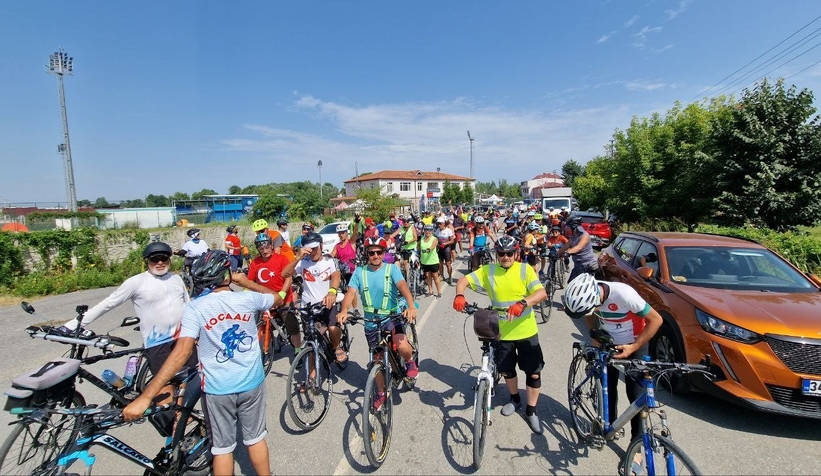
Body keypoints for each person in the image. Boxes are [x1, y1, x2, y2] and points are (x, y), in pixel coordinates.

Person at [124, 250, 280, 476]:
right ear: (226, 274)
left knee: (223, 449)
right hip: (251, 383)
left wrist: (146, 396)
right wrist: (245, 281)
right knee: (255, 439)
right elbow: (277, 297)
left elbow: (182, 352)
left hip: (218, 389)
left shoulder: (195, 307)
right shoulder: (247, 298)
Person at [59, 242, 196, 413]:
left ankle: (183, 418)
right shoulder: (137, 282)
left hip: (183, 338)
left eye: (164, 259)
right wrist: (73, 325)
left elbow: (188, 305)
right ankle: (171, 427)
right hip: (158, 343)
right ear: (147, 261)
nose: (160, 263)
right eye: (155, 259)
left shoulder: (176, 279)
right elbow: (108, 303)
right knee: (165, 388)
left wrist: (196, 332)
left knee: (186, 383)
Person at [453, 235, 548, 434]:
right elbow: (463, 280)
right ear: (496, 254)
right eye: (501, 254)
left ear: (516, 253)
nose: (505, 257)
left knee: (533, 372)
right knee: (507, 370)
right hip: (501, 333)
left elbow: (541, 293)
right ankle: (514, 399)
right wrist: (460, 294)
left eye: (509, 253)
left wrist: (522, 303)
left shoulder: (525, 270)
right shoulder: (489, 271)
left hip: (526, 332)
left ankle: (532, 411)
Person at [562, 273, 663, 443]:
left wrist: (634, 347)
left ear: (597, 298)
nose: (590, 312)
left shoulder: (624, 294)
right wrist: (595, 334)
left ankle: (636, 444)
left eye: (591, 308)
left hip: (634, 342)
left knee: (636, 394)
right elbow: (589, 314)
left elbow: (656, 320)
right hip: (608, 342)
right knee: (608, 386)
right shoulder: (589, 295)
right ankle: (610, 425)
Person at [338, 236, 419, 408]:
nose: (375, 255)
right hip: (370, 321)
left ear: (383, 253)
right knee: (376, 360)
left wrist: (411, 306)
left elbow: (403, 287)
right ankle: (381, 393)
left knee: (402, 345)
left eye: (378, 252)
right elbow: (350, 293)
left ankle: (410, 362)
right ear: (366, 254)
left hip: (391, 316)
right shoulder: (360, 272)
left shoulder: (391, 269)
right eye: (371, 253)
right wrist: (344, 310)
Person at [282, 232, 347, 363]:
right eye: (310, 249)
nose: (313, 251)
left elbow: (336, 276)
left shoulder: (329, 261)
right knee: (311, 343)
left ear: (321, 245)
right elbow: (285, 273)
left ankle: (336, 346)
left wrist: (332, 292)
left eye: (316, 247)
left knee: (333, 329)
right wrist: (297, 257)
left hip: (326, 304)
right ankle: (311, 379)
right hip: (308, 307)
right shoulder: (303, 263)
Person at [232, 232, 301, 354]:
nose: (264, 250)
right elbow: (250, 282)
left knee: (291, 323)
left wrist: (282, 294)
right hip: (265, 299)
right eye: (261, 248)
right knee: (256, 321)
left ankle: (297, 349)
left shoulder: (281, 259)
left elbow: (288, 278)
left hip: (283, 297)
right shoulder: (255, 263)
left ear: (271, 245)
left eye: (266, 246)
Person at [557, 213, 599, 282]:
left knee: (580, 287)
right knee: (571, 284)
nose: (567, 229)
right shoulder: (573, 236)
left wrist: (568, 252)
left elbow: (579, 247)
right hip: (578, 266)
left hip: (587, 266)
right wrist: (557, 253)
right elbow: (566, 245)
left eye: (569, 227)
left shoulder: (585, 236)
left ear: (574, 227)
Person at [419, 224, 442, 297]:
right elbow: (418, 246)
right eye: (426, 230)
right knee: (427, 276)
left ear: (432, 231)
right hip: (425, 261)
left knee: (435, 276)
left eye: (429, 230)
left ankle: (439, 292)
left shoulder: (434, 239)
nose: (427, 232)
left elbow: (433, 246)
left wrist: (429, 249)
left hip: (433, 261)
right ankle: (430, 291)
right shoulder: (422, 239)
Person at [435, 217, 456, 285]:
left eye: (440, 224)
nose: (439, 225)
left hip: (446, 249)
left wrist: (445, 244)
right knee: (440, 264)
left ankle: (450, 277)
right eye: (438, 224)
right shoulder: (437, 230)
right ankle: (442, 276)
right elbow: (435, 239)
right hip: (440, 249)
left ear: (444, 224)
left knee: (448, 264)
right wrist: (437, 244)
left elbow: (452, 240)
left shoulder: (448, 230)